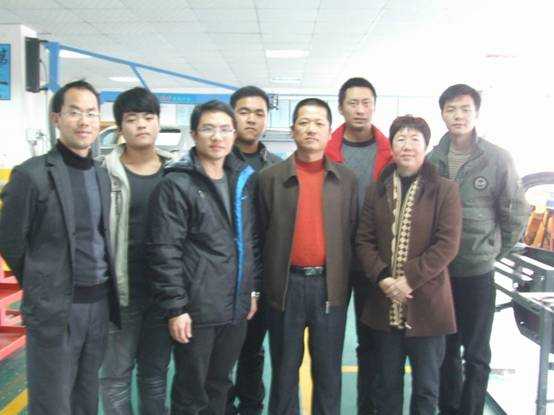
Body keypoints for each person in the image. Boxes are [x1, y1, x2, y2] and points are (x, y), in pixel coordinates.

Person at [0, 80, 120, 415]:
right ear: (56, 118)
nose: (84, 121)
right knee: (51, 401)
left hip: (98, 305)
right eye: (74, 112)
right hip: (56, 308)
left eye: (91, 113)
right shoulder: (32, 175)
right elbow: (10, 240)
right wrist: (41, 283)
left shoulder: (100, 174)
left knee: (86, 397)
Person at [146, 100, 262, 415]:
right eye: (208, 129)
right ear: (195, 134)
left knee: (220, 385)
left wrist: (251, 291)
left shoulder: (242, 179)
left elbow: (250, 240)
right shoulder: (177, 183)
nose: (217, 136)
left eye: (225, 129)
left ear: (234, 134)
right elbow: (164, 250)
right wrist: (176, 308)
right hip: (197, 309)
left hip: (234, 306)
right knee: (190, 392)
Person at [427, 84, 530, 415]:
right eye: (451, 109)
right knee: (445, 349)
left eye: (465, 109)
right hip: (442, 274)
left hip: (477, 273)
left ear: (476, 113)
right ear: (442, 114)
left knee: (476, 353)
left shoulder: (497, 158)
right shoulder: (432, 160)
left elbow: (515, 212)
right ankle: (448, 409)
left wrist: (492, 251)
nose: (458, 116)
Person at [356, 115, 462, 414]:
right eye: (400, 139)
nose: (407, 145)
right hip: (383, 304)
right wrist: (384, 278)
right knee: (386, 387)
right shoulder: (376, 190)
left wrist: (409, 280)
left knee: (427, 389)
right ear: (391, 147)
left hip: (428, 305)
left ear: (426, 146)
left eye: (415, 139)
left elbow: (447, 244)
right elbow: (363, 240)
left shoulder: (445, 190)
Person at [258, 98, 357, 415]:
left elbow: (352, 235)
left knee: (328, 373)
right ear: (292, 130)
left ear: (330, 131)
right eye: (304, 122)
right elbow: (260, 236)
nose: (311, 129)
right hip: (285, 287)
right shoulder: (269, 178)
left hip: (330, 288)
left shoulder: (347, 180)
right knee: (284, 371)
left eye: (318, 123)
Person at [99, 87, 174, 415]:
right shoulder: (102, 173)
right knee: (115, 377)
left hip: (163, 296)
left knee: (155, 376)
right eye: (132, 119)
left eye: (148, 117)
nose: (141, 124)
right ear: (120, 127)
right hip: (120, 296)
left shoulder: (176, 173)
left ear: (158, 123)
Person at [325, 77, 392, 415]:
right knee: (327, 346)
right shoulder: (324, 150)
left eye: (366, 103)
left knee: (371, 345)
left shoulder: (391, 153)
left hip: (373, 264)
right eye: (353, 103)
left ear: (374, 107)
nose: (360, 109)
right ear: (341, 108)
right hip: (331, 264)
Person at [227, 85, 282, 415]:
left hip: (260, 277)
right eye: (244, 112)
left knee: (252, 351)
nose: (251, 119)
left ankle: (251, 407)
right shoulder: (216, 160)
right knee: (219, 357)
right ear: (232, 115)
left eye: (259, 113)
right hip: (220, 278)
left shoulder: (275, 166)